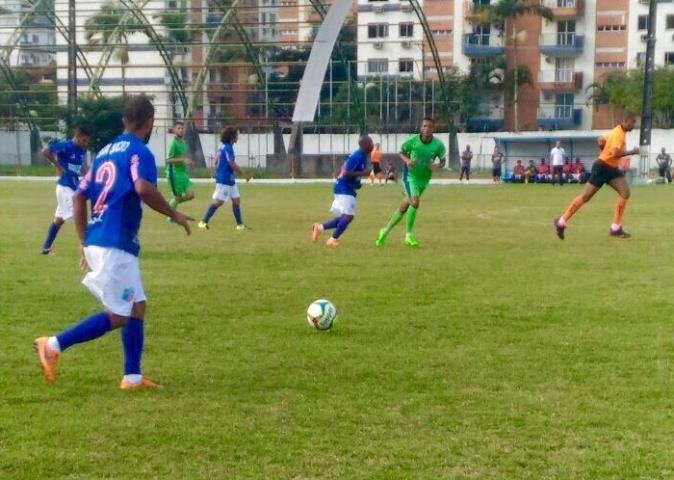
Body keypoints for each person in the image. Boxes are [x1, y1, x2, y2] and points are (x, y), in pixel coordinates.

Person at [33, 96, 193, 389]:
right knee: (120, 314)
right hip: (115, 241)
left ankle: (132, 377)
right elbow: (143, 187)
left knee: (137, 306)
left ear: (123, 121)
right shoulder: (138, 151)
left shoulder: (104, 152)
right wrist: (175, 213)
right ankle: (53, 344)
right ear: (150, 123)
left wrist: (83, 241)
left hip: (98, 237)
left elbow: (80, 196)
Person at [554, 112, 640, 240]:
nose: (634, 125)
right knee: (586, 197)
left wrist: (603, 149)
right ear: (625, 121)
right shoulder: (618, 134)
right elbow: (615, 153)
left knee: (625, 192)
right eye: (633, 122)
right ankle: (561, 222)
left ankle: (615, 228)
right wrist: (631, 152)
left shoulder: (615, 131)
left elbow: (600, 139)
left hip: (611, 168)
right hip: (602, 167)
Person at [375, 117, 446, 248]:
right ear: (420, 127)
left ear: (433, 129)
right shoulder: (412, 142)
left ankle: (384, 231)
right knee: (415, 202)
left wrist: (437, 166)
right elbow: (401, 152)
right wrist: (407, 161)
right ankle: (409, 235)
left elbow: (443, 161)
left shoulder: (438, 145)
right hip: (410, 177)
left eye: (429, 126)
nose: (426, 129)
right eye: (424, 126)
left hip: (424, 179)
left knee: (405, 206)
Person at [311, 136, 373, 247]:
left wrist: (357, 183)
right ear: (364, 145)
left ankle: (319, 228)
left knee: (346, 217)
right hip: (344, 188)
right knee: (348, 216)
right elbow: (345, 173)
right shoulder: (357, 156)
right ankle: (332, 239)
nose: (372, 146)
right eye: (370, 143)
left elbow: (352, 172)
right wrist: (363, 173)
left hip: (347, 187)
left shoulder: (362, 156)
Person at [40, 126, 92, 255]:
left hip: (72, 186)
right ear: (78, 137)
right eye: (84, 140)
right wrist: (57, 165)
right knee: (79, 215)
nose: (85, 144)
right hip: (65, 186)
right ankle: (87, 247)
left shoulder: (80, 150)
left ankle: (46, 247)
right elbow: (45, 151)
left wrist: (92, 176)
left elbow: (83, 168)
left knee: (59, 219)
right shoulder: (66, 146)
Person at [198, 126, 251, 231]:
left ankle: (240, 225)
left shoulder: (223, 147)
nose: (238, 137)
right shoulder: (228, 148)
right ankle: (203, 222)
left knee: (236, 200)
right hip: (224, 179)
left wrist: (218, 169)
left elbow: (216, 160)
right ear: (232, 137)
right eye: (236, 134)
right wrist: (243, 174)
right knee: (219, 201)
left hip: (229, 179)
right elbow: (231, 163)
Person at [165, 120, 195, 215]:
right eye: (179, 128)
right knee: (178, 197)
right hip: (174, 174)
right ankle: (170, 216)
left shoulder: (183, 143)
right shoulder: (173, 144)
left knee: (190, 195)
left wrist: (188, 163)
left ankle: (170, 206)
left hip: (182, 173)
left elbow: (182, 158)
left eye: (182, 128)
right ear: (174, 130)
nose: (181, 130)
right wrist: (182, 160)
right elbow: (168, 160)